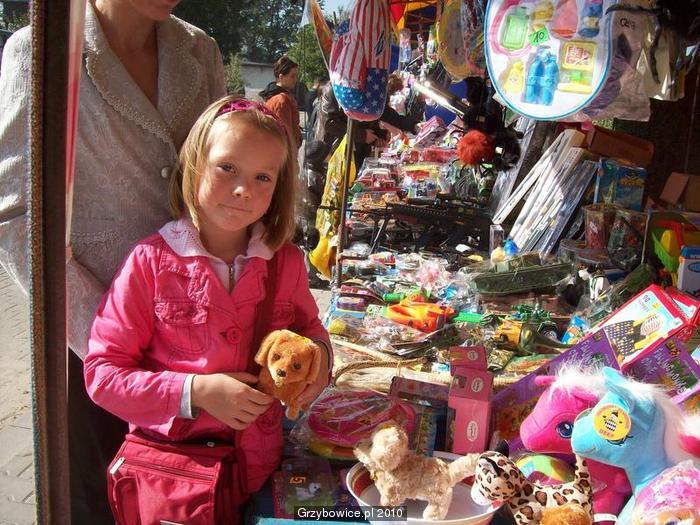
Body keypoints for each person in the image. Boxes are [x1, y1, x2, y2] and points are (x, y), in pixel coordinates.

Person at [0, 0, 226, 522]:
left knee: (188, 497)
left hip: (195, 337)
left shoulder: (199, 50)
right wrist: (108, 338)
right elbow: (16, 216)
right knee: (97, 502)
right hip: (89, 343)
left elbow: (222, 170)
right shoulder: (43, 50)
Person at [83, 96, 331, 522]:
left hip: (258, 473)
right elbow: (103, 375)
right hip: (177, 481)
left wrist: (321, 361)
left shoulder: (286, 262)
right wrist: (195, 392)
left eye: (263, 177)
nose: (243, 189)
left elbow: (310, 330)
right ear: (196, 164)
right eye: (227, 168)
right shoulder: (151, 263)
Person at [259, 56, 303, 149]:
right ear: (281, 77)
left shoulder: (274, 96)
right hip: (283, 151)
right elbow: (284, 134)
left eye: (296, 76)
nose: (295, 80)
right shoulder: (281, 100)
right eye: (292, 76)